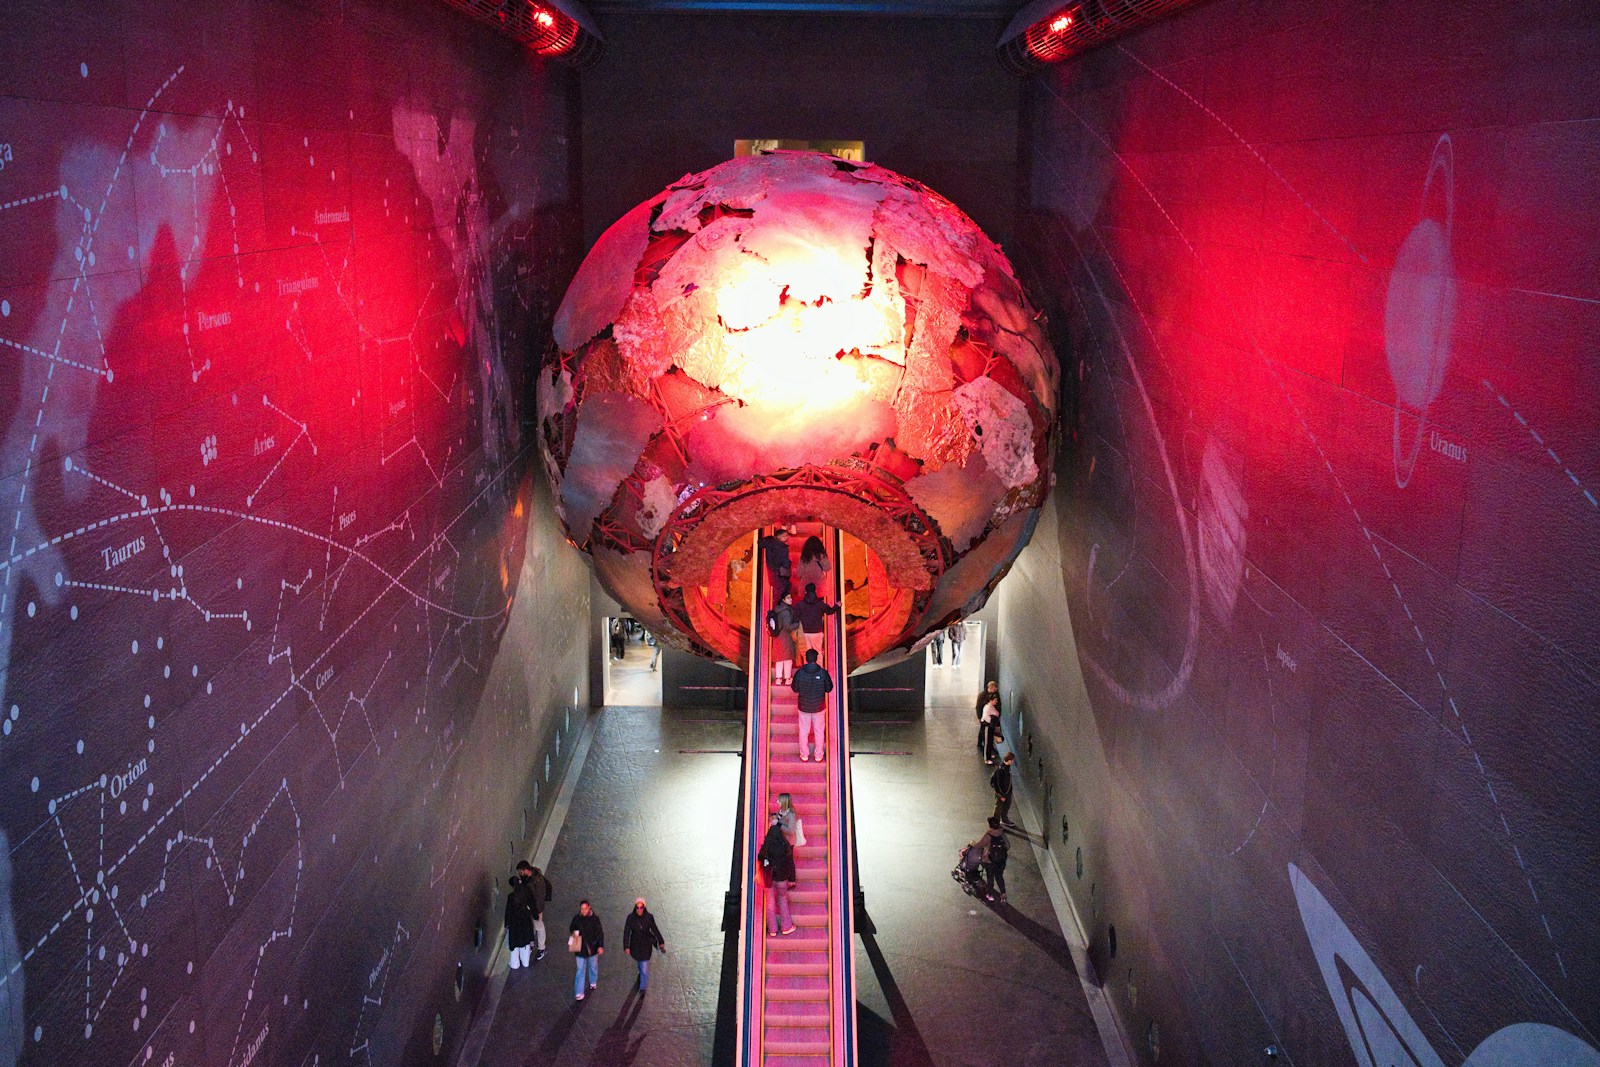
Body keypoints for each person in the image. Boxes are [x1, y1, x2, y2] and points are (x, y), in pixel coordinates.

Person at [789, 649, 833, 762]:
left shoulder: (800, 672)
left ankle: (804, 754)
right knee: (819, 731)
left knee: (804, 731)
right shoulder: (823, 673)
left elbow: (794, 688)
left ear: (806, 659)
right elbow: (829, 688)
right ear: (817, 658)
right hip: (819, 707)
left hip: (804, 706)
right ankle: (818, 755)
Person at [757, 812, 797, 936]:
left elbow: (760, 857)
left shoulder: (767, 844)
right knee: (783, 900)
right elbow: (790, 863)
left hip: (769, 878)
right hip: (782, 879)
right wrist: (792, 879)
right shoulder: (785, 846)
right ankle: (786, 927)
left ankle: (773, 930)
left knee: (770, 903)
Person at [622, 898, 666, 993]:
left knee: (644, 969)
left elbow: (655, 929)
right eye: (637, 908)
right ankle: (641, 973)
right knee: (640, 963)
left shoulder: (649, 917)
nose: (639, 910)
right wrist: (626, 946)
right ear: (635, 908)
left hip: (646, 946)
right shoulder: (631, 918)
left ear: (644, 907)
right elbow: (627, 932)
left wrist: (661, 941)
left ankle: (643, 988)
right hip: (635, 946)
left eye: (641, 907)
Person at [505, 863, 539, 970]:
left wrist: (507, 924)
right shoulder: (526, 891)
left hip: (515, 924)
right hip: (525, 921)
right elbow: (532, 903)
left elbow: (508, 912)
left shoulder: (511, 897)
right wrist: (535, 915)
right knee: (525, 943)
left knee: (515, 945)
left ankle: (514, 964)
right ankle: (525, 962)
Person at [569, 900, 605, 1000]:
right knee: (580, 970)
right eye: (582, 909)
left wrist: (600, 946)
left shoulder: (595, 919)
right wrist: (576, 933)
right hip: (581, 948)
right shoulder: (576, 918)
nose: (584, 911)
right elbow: (571, 928)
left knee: (593, 965)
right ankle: (579, 992)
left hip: (591, 948)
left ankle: (593, 981)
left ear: (589, 908)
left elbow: (599, 933)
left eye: (585, 908)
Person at [794, 583, 839, 657]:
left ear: (805, 592)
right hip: (817, 632)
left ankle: (809, 668)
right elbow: (829, 611)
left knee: (807, 654)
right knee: (818, 653)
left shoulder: (800, 605)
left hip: (805, 632)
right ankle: (818, 668)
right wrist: (837, 606)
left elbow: (796, 618)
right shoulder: (819, 604)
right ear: (815, 591)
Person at [768, 591, 798, 684]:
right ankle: (788, 678)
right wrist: (797, 624)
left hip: (778, 636)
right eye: (788, 598)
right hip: (786, 636)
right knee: (788, 658)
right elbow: (787, 626)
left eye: (790, 597)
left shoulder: (778, 609)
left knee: (779, 658)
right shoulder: (786, 611)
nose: (791, 599)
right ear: (783, 600)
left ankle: (778, 678)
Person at [758, 528, 792, 601]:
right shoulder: (782, 548)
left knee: (778, 592)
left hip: (771, 571)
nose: (788, 537)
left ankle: (778, 608)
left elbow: (760, 543)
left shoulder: (770, 543)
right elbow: (785, 563)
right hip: (779, 573)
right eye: (785, 536)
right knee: (782, 591)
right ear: (779, 537)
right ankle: (780, 609)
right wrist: (789, 562)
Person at [981, 816, 1009, 902]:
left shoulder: (989, 834)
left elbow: (980, 844)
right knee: (999, 876)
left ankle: (990, 894)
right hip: (1001, 861)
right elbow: (1008, 846)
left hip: (991, 860)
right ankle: (1003, 894)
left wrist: (972, 844)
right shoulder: (1002, 833)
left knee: (990, 877)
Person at [990, 752, 1016, 827]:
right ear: (1010, 760)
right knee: (998, 807)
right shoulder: (1000, 770)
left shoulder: (1007, 768)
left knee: (1006, 806)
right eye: (1013, 760)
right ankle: (995, 823)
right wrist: (1001, 795)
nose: (1013, 762)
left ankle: (1004, 819)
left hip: (1007, 792)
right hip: (1002, 793)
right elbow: (998, 784)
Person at [979, 697, 1000, 764]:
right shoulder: (988, 707)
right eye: (995, 700)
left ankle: (989, 755)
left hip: (990, 727)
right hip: (987, 727)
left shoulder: (991, 706)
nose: (996, 701)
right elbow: (985, 717)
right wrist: (991, 722)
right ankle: (986, 758)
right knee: (987, 742)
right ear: (991, 700)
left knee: (990, 741)